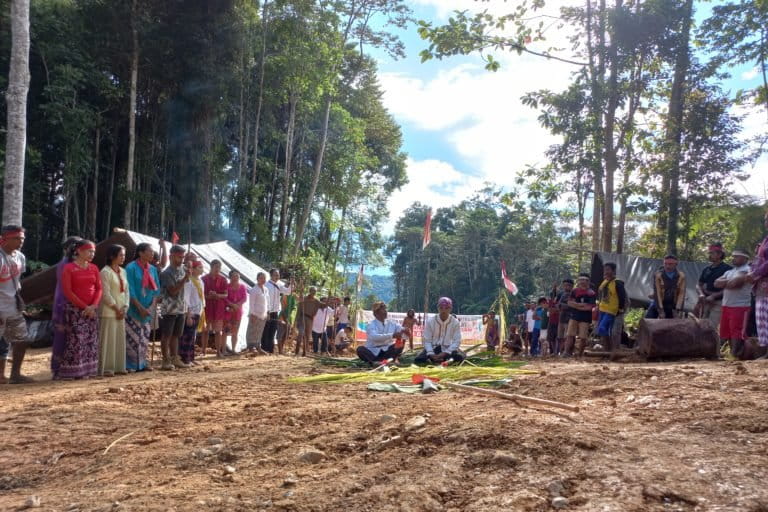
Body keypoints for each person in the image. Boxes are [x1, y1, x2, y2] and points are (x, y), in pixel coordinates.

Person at [58, 239, 103, 379]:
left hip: (91, 310)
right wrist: (85, 307)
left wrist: (94, 306)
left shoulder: (94, 268)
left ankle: (87, 370)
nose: (92, 254)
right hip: (74, 310)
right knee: (76, 340)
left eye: (94, 252)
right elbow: (68, 291)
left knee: (90, 340)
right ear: (79, 251)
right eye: (90, 251)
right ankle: (72, 371)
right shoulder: (69, 268)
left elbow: (99, 288)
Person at [0, 225, 32, 384]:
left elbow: (17, 280)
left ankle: (15, 374)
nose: (21, 242)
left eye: (23, 239)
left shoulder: (20, 257)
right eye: (17, 238)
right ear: (5, 238)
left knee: (21, 339)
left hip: (12, 306)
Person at [125, 243, 161, 372]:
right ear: (141, 253)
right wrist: (139, 307)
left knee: (144, 338)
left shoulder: (152, 269)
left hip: (148, 308)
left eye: (152, 252)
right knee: (132, 338)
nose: (152, 254)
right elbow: (130, 289)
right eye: (149, 251)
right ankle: (130, 365)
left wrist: (151, 306)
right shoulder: (131, 268)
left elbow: (156, 289)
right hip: (134, 308)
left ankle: (142, 363)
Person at [51, 236, 82, 380]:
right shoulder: (65, 265)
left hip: (78, 304)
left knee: (75, 337)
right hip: (64, 304)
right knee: (63, 337)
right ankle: (58, 369)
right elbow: (66, 288)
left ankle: (74, 368)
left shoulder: (80, 264)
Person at [98, 244, 130, 377]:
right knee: (108, 340)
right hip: (109, 311)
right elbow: (105, 294)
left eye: (124, 255)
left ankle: (118, 366)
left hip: (121, 311)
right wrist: (116, 308)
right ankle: (106, 367)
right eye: (120, 255)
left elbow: (127, 291)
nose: (123, 257)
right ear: (112, 256)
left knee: (119, 340)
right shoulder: (105, 272)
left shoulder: (123, 271)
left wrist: (125, 307)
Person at [715, 249, 752, 358]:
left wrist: (725, 283)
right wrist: (729, 283)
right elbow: (716, 283)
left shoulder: (747, 270)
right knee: (726, 331)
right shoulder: (729, 272)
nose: (733, 258)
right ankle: (730, 353)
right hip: (726, 305)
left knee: (736, 331)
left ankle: (735, 354)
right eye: (733, 256)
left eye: (737, 256)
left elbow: (735, 284)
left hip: (740, 306)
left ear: (745, 258)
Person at [158, 245, 190, 370]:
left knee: (177, 334)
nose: (181, 259)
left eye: (183, 257)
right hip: (169, 308)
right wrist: (184, 279)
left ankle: (175, 357)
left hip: (181, 307)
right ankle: (165, 360)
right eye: (179, 257)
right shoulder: (166, 273)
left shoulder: (183, 269)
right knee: (167, 334)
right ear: (171, 256)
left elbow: (185, 285)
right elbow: (172, 291)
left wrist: (187, 274)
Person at [415, 297, 465, 364]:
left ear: (450, 309)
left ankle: (444, 360)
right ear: (438, 308)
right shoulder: (430, 321)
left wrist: (445, 353)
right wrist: (431, 353)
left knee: (461, 357)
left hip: (448, 348)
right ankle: (438, 360)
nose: (443, 310)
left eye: (446, 308)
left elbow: (457, 341)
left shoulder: (455, 322)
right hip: (434, 348)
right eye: (441, 308)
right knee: (419, 359)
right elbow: (427, 341)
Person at [357, 301, 408, 366]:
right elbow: (374, 337)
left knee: (399, 346)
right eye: (383, 309)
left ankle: (386, 361)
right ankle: (375, 362)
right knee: (360, 349)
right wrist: (392, 335)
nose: (385, 311)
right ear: (376, 313)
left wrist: (405, 331)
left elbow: (402, 331)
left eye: (385, 309)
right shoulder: (371, 325)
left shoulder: (392, 322)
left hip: (387, 351)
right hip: (373, 351)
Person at [696, 243, 732, 331]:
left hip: (719, 302)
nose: (710, 255)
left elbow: (729, 287)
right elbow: (699, 284)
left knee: (711, 327)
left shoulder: (727, 269)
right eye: (709, 253)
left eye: (712, 253)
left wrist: (714, 296)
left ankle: (713, 344)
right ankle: (702, 344)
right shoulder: (707, 269)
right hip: (706, 301)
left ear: (719, 254)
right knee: (701, 325)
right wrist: (701, 294)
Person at [747, 211, 768, 354]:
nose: (766, 222)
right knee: (762, 318)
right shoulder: (766, 240)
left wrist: (755, 273)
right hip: (762, 284)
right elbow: (759, 260)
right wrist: (752, 272)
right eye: (766, 220)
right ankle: (766, 351)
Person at [596, 263, 627, 354]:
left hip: (612, 310)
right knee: (601, 330)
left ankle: (614, 350)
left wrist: (620, 309)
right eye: (605, 270)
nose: (606, 272)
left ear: (613, 271)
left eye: (608, 270)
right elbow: (600, 295)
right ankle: (608, 350)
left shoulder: (618, 283)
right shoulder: (604, 282)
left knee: (609, 330)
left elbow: (622, 297)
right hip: (602, 310)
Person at [564, 274, 597, 357]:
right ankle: (566, 353)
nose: (582, 282)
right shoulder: (574, 291)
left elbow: (590, 307)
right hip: (574, 316)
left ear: (588, 282)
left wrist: (576, 305)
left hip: (585, 318)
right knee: (570, 335)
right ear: (578, 281)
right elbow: (569, 303)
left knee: (583, 337)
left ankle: (580, 354)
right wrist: (581, 305)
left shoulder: (591, 293)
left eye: (585, 280)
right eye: (581, 280)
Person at [180, 260, 205, 365]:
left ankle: (191, 357)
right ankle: (184, 358)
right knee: (187, 335)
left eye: (202, 267)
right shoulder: (189, 282)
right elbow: (186, 299)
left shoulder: (201, 281)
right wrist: (188, 314)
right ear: (193, 269)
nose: (202, 269)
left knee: (193, 336)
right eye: (199, 267)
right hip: (191, 312)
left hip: (198, 311)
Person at [202, 260, 228, 358]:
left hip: (218, 308)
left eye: (219, 267)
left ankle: (218, 352)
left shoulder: (223, 279)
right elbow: (201, 294)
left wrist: (217, 295)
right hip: (207, 307)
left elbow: (225, 294)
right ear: (211, 267)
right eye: (216, 267)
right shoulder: (203, 279)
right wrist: (208, 296)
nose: (218, 269)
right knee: (205, 330)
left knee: (218, 331)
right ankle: (203, 351)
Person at [262, 268, 292, 354]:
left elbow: (288, 292)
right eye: (275, 274)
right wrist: (267, 311)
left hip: (275, 311)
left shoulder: (279, 285)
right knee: (266, 330)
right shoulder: (266, 285)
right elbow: (265, 300)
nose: (277, 276)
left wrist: (291, 284)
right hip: (267, 311)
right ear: (271, 275)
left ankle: (270, 349)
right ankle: (264, 348)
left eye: (278, 275)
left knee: (273, 330)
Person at [224, 269, 247, 355]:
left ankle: (233, 349)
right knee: (226, 331)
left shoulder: (242, 287)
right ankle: (224, 350)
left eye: (237, 276)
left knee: (235, 332)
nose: (236, 277)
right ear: (230, 277)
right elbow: (225, 298)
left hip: (238, 312)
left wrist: (237, 304)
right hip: (228, 311)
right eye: (234, 276)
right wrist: (232, 305)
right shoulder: (226, 286)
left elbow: (244, 298)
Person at [246, 271, 269, 354]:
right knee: (252, 331)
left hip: (263, 314)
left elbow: (267, 301)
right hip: (255, 314)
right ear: (257, 279)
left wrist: (268, 312)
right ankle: (251, 347)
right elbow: (251, 303)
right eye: (261, 278)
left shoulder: (266, 289)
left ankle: (258, 346)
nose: (263, 280)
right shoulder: (254, 290)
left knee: (260, 331)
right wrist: (252, 314)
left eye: (264, 278)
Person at [298, 288, 325, 356]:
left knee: (307, 335)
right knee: (301, 333)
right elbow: (299, 306)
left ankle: (305, 351)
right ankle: (297, 350)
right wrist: (296, 319)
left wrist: (329, 300)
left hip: (310, 319)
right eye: (312, 291)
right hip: (302, 317)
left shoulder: (316, 301)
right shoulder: (304, 298)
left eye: (315, 291)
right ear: (309, 291)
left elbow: (324, 305)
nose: (314, 293)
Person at [555, 279, 574, 354]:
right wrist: (559, 306)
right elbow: (557, 305)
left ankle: (568, 351)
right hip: (561, 318)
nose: (566, 287)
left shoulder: (574, 294)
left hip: (569, 318)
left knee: (568, 336)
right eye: (565, 285)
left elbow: (573, 306)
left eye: (568, 285)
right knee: (560, 337)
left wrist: (562, 305)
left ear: (572, 286)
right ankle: (560, 351)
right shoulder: (561, 294)